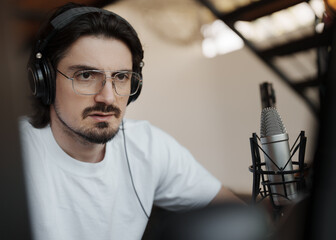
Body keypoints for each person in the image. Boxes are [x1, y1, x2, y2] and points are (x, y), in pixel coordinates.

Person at [20, 2, 242, 240]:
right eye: (85, 75)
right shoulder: (8, 153)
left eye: (121, 77)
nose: (107, 96)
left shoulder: (147, 145)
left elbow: (237, 216)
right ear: (44, 81)